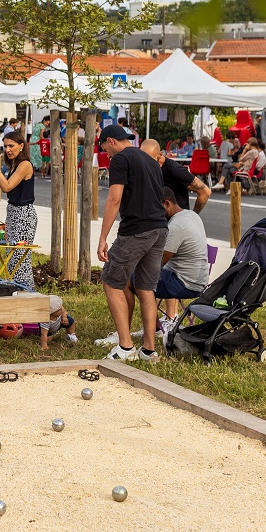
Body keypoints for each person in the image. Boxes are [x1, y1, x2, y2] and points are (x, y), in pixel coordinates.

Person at [96, 130, 168, 364]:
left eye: (105, 149)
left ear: (111, 141)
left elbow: (114, 199)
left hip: (136, 230)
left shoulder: (120, 159)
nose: (106, 154)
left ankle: (126, 347)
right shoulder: (151, 160)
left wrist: (103, 237)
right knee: (146, 288)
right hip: (159, 229)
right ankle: (149, 350)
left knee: (111, 281)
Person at [0, 130, 37, 292]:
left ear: (21, 146)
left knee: (20, 258)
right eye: (5, 146)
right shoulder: (13, 165)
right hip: (13, 212)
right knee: (11, 258)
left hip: (24, 213)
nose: (8, 149)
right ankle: (16, 291)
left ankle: (27, 293)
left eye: (11, 146)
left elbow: (6, 187)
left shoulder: (25, 165)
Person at [156, 185, 211, 327]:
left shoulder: (176, 226)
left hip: (185, 283)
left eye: (156, 207)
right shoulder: (191, 215)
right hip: (199, 280)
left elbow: (157, 264)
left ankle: (149, 329)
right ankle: (155, 326)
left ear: (167, 203)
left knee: (135, 281)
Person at [161, 141, 211, 214]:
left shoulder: (175, 170)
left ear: (160, 155)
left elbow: (205, 192)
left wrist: (193, 215)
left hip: (178, 219)